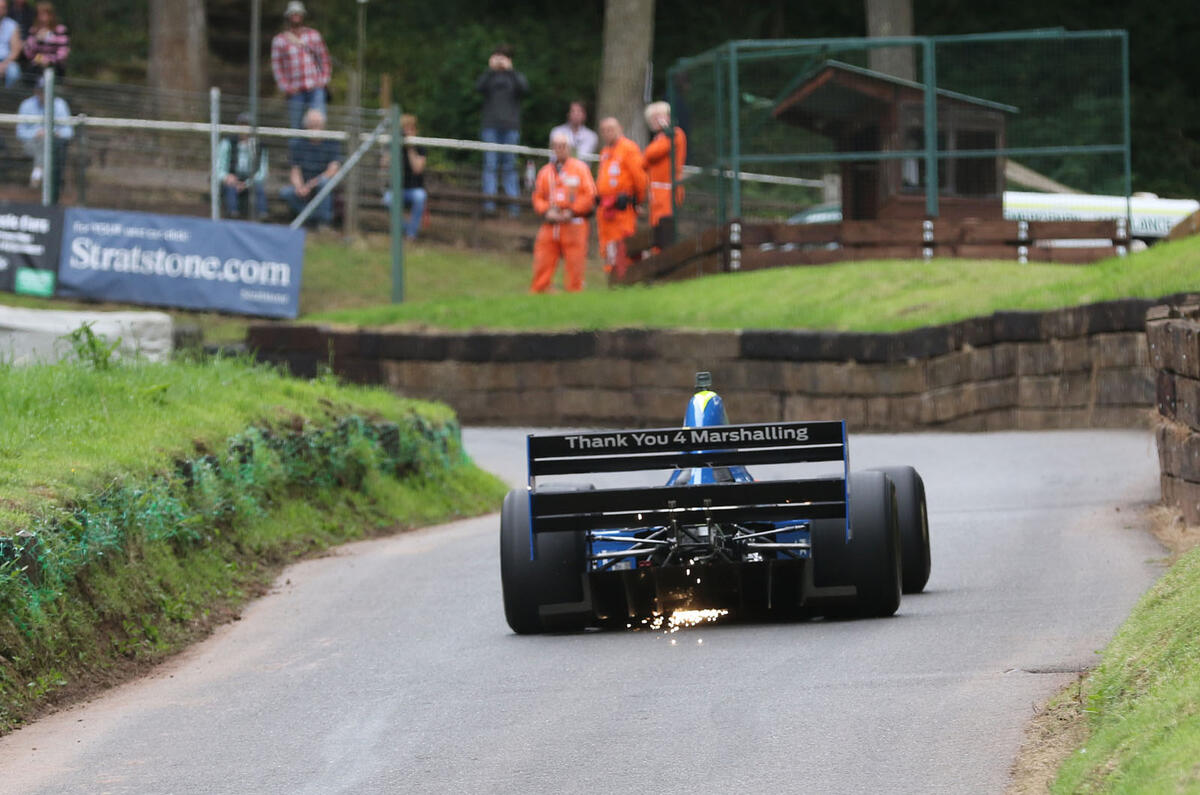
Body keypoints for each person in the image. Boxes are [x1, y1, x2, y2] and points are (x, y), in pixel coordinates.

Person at [530, 130, 596, 294]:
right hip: (551, 224)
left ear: (570, 148)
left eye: (563, 146)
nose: (560, 149)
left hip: (573, 223)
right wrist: (546, 211)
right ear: (552, 148)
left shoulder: (580, 169)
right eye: (556, 146)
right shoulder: (545, 172)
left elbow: (589, 195)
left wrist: (572, 212)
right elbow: (538, 197)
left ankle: (574, 292)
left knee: (575, 262)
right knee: (543, 258)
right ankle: (541, 289)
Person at [476, 44, 528, 216]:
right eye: (497, 56)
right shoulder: (489, 77)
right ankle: (489, 206)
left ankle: (514, 206)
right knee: (490, 165)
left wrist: (510, 70)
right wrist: (490, 70)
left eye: (503, 56)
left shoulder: (515, 77)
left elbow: (524, 89)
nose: (500, 60)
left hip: (511, 127)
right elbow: (478, 87)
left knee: (509, 166)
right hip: (490, 126)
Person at [594, 116, 646, 275]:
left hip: (623, 208)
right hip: (606, 209)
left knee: (623, 242)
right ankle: (613, 275)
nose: (608, 133)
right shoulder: (605, 152)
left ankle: (625, 276)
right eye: (604, 130)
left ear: (620, 129)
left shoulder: (628, 148)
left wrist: (638, 200)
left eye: (611, 129)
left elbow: (640, 178)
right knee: (608, 244)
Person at [270, 1, 331, 130]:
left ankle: (318, 150)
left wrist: (324, 80)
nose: (296, 16)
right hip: (295, 91)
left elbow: (324, 58)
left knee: (318, 125)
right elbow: (277, 67)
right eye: (293, 13)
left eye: (298, 13)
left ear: (303, 16)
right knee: (296, 128)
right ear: (288, 16)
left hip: (315, 88)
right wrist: (286, 87)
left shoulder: (314, 35)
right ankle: (297, 149)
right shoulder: (280, 40)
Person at [280, 108, 341, 229]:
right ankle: (310, 218)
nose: (315, 128)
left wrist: (312, 184)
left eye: (318, 125)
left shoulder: (332, 142)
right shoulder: (298, 144)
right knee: (285, 193)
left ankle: (323, 222)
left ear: (323, 125)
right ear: (306, 126)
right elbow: (295, 170)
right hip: (304, 186)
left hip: (320, 184)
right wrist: (299, 187)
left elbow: (333, 170)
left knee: (324, 184)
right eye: (312, 125)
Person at [16, 73, 71, 201]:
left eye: (45, 91)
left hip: (54, 146)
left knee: (47, 143)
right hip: (31, 144)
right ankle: (39, 176)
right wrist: (36, 133)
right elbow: (20, 132)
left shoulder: (60, 105)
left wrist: (54, 133)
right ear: (35, 91)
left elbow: (69, 131)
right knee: (43, 143)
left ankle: (37, 173)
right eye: (40, 91)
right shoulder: (26, 105)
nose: (42, 94)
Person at [642, 100, 687, 249]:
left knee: (664, 229)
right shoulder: (660, 138)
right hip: (656, 192)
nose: (655, 121)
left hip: (668, 190)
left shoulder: (675, 134)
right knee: (655, 229)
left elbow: (651, 154)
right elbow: (645, 163)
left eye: (658, 116)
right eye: (653, 118)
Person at [382, 113, 427, 240]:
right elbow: (384, 165)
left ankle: (411, 234)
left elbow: (417, 169)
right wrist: (393, 149)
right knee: (387, 199)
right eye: (404, 129)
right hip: (396, 189)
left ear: (415, 130)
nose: (407, 132)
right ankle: (404, 229)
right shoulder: (393, 144)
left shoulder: (420, 146)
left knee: (420, 197)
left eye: (410, 128)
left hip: (413, 189)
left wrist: (410, 148)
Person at [218, 112, 268, 221]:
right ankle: (232, 216)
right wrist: (227, 177)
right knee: (230, 187)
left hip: (251, 181)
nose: (244, 128)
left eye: (247, 125)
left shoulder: (260, 146)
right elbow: (219, 169)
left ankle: (263, 217)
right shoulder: (227, 143)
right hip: (232, 179)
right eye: (241, 125)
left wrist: (247, 183)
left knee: (259, 188)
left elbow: (262, 173)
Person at [22, 1, 68, 79]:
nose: (42, 17)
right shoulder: (33, 31)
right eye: (39, 14)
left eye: (44, 14)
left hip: (54, 65)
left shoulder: (60, 30)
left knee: (53, 72)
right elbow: (28, 54)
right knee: (30, 72)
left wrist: (49, 60)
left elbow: (63, 53)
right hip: (37, 65)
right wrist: (35, 40)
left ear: (51, 15)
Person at [0, 0, 22, 87]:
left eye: (2, 8)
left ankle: (7, 98)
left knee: (14, 73)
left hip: (7, 61)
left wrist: (4, 65)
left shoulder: (12, 25)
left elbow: (16, 50)